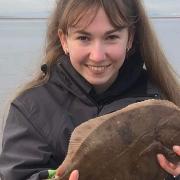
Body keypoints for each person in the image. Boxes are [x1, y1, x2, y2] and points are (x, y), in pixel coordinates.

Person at [0, 0, 179, 179]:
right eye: (83, 38)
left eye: (111, 37)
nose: (97, 56)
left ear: (130, 38)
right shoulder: (30, 109)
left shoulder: (166, 97)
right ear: (64, 40)